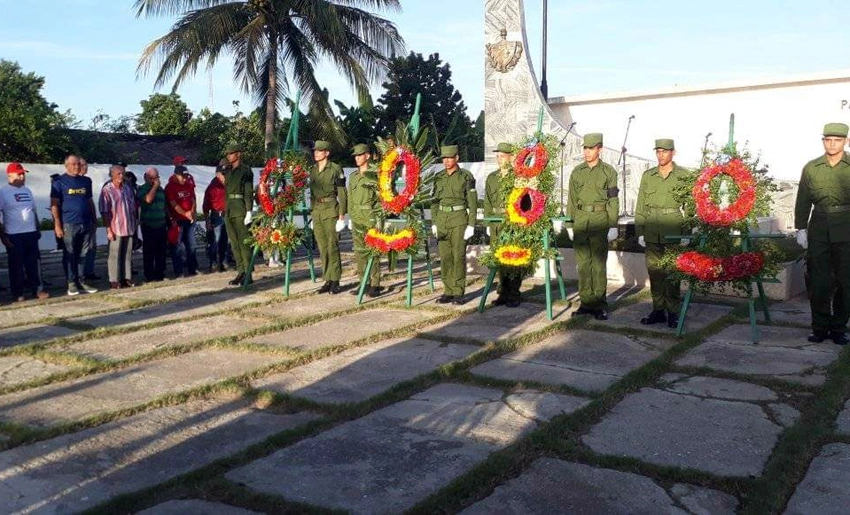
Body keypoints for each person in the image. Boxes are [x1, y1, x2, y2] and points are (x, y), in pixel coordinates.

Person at [794, 122, 850, 346]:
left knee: (846, 283)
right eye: (828, 139)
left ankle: (838, 328)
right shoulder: (811, 168)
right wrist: (801, 228)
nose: (832, 143)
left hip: (847, 228)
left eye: (837, 139)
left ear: (845, 141)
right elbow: (803, 199)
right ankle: (819, 327)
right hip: (818, 228)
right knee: (818, 283)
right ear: (823, 141)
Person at [565, 133, 619, 320]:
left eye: (591, 148)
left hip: (599, 220)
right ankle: (586, 303)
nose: (587, 152)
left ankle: (599, 304)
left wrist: (613, 225)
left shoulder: (609, 172)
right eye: (585, 148)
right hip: (580, 220)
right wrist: (569, 223)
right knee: (583, 265)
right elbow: (571, 199)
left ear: (600, 149)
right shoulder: (577, 172)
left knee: (598, 264)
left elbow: (613, 200)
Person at [635, 139, 687, 328]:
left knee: (672, 271)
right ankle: (658, 310)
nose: (661, 155)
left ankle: (673, 311)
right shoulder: (648, 175)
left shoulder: (683, 175)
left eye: (665, 151)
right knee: (655, 271)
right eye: (658, 151)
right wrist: (640, 230)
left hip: (673, 225)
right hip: (651, 227)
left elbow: (690, 206)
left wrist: (687, 233)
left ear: (673, 152)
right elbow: (640, 204)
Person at [430, 145, 477, 304]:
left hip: (458, 220)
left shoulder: (466, 176)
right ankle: (448, 291)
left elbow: (472, 203)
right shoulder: (439, 177)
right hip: (442, 220)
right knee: (445, 257)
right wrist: (434, 222)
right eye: (444, 158)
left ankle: (458, 292)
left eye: (450, 158)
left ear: (457, 158)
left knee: (458, 256)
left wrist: (471, 225)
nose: (446, 161)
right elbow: (435, 202)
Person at [0, 163, 49, 301]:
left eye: (23, 174)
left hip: (30, 233)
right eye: (19, 174)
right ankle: (18, 292)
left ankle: (38, 289)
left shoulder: (27, 190)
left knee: (34, 264)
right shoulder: (3, 192)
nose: (22, 176)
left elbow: (33, 210)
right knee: (16, 265)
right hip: (14, 234)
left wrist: (37, 228)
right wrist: (3, 236)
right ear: (10, 175)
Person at [51, 154, 98, 295]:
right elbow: (54, 205)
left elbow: (89, 201)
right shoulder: (59, 181)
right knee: (70, 254)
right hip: (69, 224)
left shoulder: (86, 181)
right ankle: (71, 282)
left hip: (86, 223)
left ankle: (82, 281)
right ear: (67, 165)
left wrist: (94, 220)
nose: (77, 166)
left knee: (84, 253)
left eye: (78, 164)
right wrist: (57, 225)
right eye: (73, 164)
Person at [484, 142, 522, 307]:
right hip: (496, 222)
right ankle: (503, 292)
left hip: (512, 222)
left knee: (514, 257)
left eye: (503, 156)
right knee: (500, 258)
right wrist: (488, 221)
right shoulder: (492, 177)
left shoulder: (518, 177)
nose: (499, 159)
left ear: (511, 157)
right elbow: (487, 201)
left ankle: (514, 293)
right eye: (497, 156)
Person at [309, 140, 347, 294]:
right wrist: (312, 213)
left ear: (327, 153)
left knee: (332, 247)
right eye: (315, 150)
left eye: (319, 150)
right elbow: (312, 194)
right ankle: (327, 279)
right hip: (317, 211)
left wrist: (342, 216)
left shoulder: (335, 169)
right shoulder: (312, 170)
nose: (316, 153)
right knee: (322, 248)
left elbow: (342, 193)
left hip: (331, 210)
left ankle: (335, 279)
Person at [347, 143, 382, 297]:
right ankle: (363, 282)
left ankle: (375, 283)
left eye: (359, 155)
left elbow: (380, 199)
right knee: (359, 252)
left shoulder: (375, 175)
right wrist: (349, 217)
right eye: (355, 156)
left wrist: (378, 219)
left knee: (372, 251)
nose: (357, 158)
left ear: (367, 156)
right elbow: (350, 198)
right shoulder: (353, 177)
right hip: (356, 217)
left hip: (369, 216)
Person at [99, 164, 138, 289]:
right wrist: (108, 229)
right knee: (114, 255)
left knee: (127, 254)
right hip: (115, 227)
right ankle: (114, 280)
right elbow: (104, 211)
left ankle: (126, 278)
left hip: (129, 226)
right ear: (112, 175)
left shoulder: (127, 188)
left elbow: (132, 207)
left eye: (123, 174)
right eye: (119, 174)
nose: (121, 176)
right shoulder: (107, 190)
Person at [222, 143, 254, 285]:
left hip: (240, 209)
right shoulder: (228, 171)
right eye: (228, 154)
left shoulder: (246, 171)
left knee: (244, 243)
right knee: (234, 243)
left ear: (238, 154)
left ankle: (248, 273)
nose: (228, 156)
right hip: (229, 209)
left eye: (231, 153)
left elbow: (248, 192)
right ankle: (241, 271)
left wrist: (249, 211)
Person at [164, 164, 198, 277]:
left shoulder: (188, 184)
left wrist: (192, 212)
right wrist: (185, 213)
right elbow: (173, 205)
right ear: (175, 175)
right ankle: (178, 271)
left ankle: (192, 269)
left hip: (189, 219)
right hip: (177, 220)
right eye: (182, 177)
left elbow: (193, 199)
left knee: (191, 245)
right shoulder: (170, 187)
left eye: (186, 176)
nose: (184, 179)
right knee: (177, 246)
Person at [138, 167, 168, 282]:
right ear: (146, 178)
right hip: (148, 224)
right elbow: (148, 200)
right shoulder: (142, 189)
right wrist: (154, 187)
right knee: (149, 251)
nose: (155, 180)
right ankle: (149, 275)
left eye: (156, 178)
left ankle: (160, 273)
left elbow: (164, 205)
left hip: (161, 223)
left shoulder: (161, 189)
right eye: (152, 178)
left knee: (161, 251)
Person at [203, 159, 231, 273]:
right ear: (217, 174)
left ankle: (224, 261)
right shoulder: (213, 187)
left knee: (226, 240)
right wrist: (207, 220)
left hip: (228, 214)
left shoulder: (229, 184)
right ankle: (214, 262)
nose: (224, 176)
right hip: (217, 215)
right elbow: (206, 205)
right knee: (216, 240)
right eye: (222, 174)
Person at [79, 158, 100, 281]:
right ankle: (79, 274)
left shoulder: (87, 181)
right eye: (83, 165)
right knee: (80, 249)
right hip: (75, 221)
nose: (85, 167)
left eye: (86, 165)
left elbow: (89, 199)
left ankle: (89, 271)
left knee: (92, 246)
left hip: (88, 219)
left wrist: (94, 217)